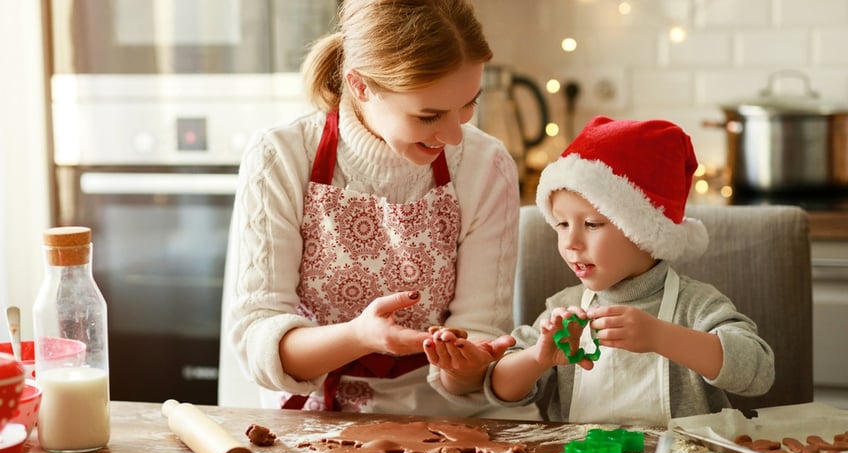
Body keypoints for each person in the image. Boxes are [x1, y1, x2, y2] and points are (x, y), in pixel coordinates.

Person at [221, 0, 540, 420]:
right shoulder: (280, 157)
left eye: (468, 104)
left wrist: (467, 363)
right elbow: (258, 339)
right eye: (430, 115)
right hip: (313, 422)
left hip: (447, 422)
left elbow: (479, 340)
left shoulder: (486, 166)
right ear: (360, 86)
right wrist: (359, 336)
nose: (455, 135)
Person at [480, 116, 775, 425]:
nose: (571, 242)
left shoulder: (696, 305)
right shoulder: (562, 311)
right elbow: (499, 388)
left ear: (644, 232)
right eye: (561, 224)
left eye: (592, 224)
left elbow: (758, 372)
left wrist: (660, 336)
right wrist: (538, 357)